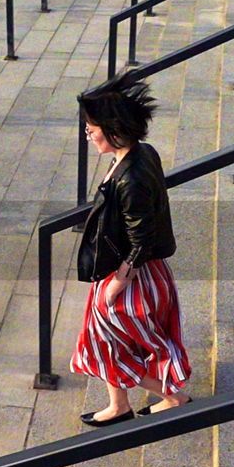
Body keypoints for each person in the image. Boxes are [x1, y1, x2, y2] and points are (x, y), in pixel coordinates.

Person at [71, 73, 192, 427]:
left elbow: (140, 241)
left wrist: (116, 286)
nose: (88, 135)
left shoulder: (132, 176)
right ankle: (119, 404)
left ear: (114, 129)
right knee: (105, 338)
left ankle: (173, 396)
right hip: (127, 269)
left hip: (133, 274)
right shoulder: (138, 154)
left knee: (107, 336)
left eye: (92, 129)